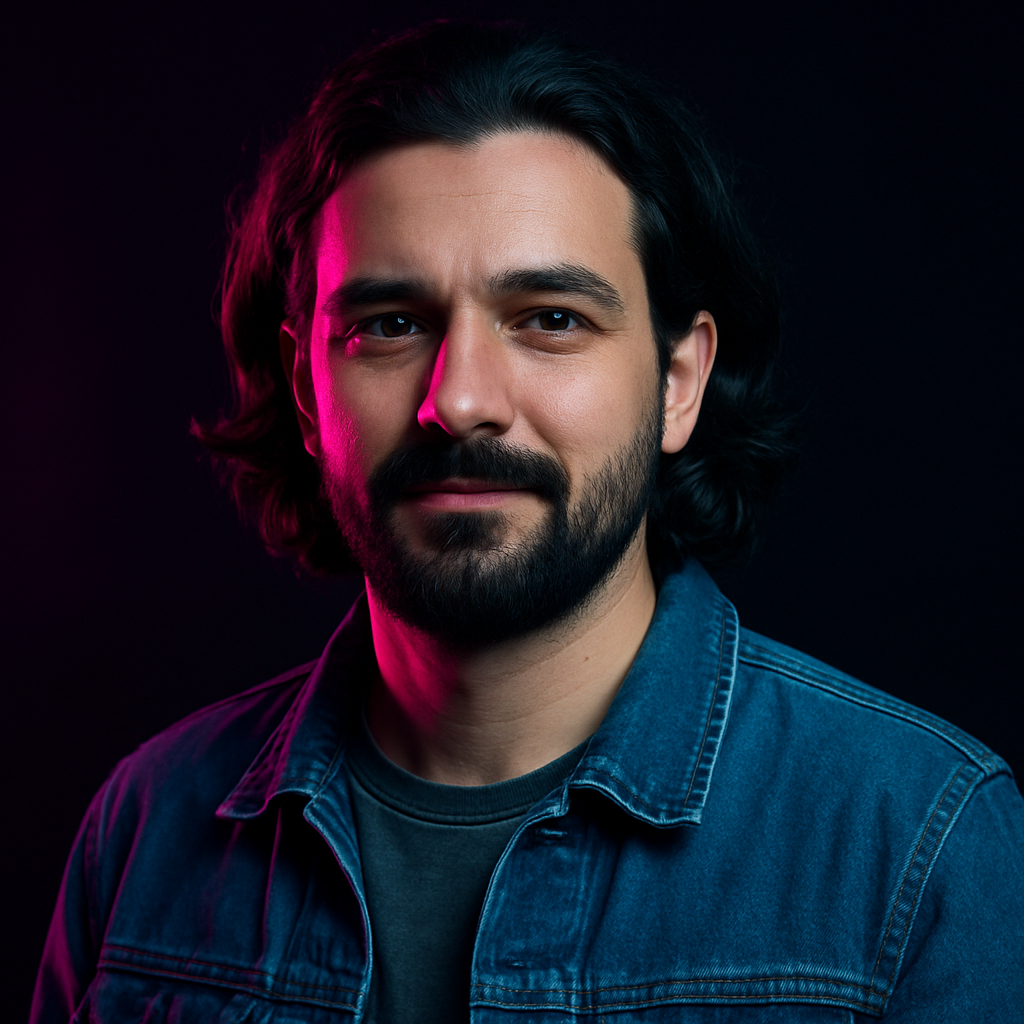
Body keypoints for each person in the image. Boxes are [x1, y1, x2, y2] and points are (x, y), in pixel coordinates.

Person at [32, 20, 1023, 1023]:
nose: (460, 400)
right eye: (390, 325)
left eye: (551, 319)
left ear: (679, 382)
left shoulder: (920, 845)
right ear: (304, 390)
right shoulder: (145, 829)